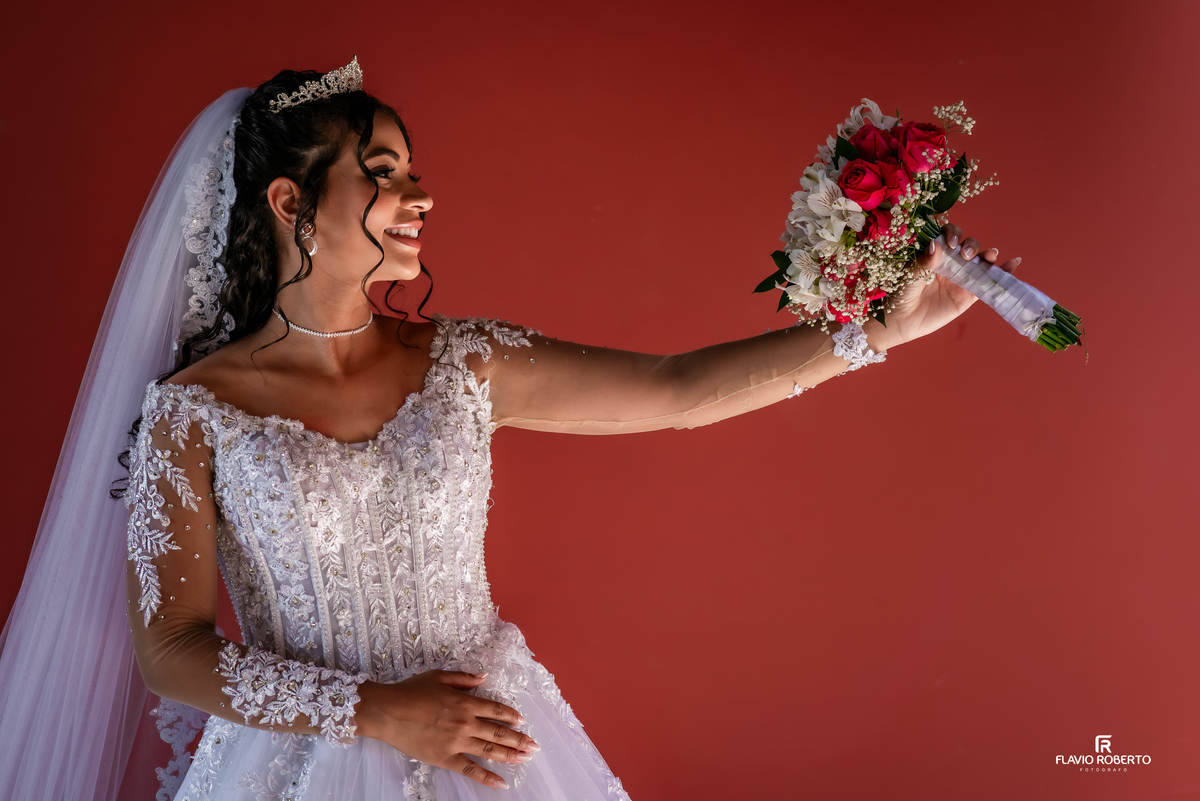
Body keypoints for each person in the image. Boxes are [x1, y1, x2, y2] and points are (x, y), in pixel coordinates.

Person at [0, 58, 1017, 801]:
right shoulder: (196, 411)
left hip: (493, 751)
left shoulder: (463, 361)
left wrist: (879, 331)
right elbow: (170, 650)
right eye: (385, 172)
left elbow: (676, 389)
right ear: (289, 202)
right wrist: (377, 711)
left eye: (411, 170)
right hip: (296, 765)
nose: (420, 194)